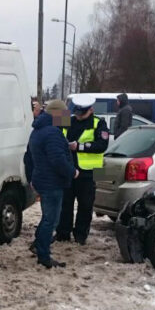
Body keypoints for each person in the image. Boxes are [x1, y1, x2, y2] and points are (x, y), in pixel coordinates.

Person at [26, 99, 76, 269]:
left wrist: (31, 178)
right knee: (51, 220)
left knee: (48, 218)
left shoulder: (37, 131)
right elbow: (58, 160)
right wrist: (72, 171)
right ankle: (43, 255)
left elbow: (29, 158)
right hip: (51, 183)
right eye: (64, 114)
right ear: (57, 114)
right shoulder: (52, 133)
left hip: (41, 179)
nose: (67, 117)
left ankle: (38, 245)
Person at [56, 94, 109, 245]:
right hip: (67, 171)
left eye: (82, 113)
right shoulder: (67, 118)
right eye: (77, 112)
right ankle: (62, 234)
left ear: (91, 110)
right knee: (65, 205)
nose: (78, 116)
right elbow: (51, 130)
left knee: (85, 207)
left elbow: (102, 146)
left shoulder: (99, 123)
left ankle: (80, 236)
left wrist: (78, 146)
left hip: (89, 173)